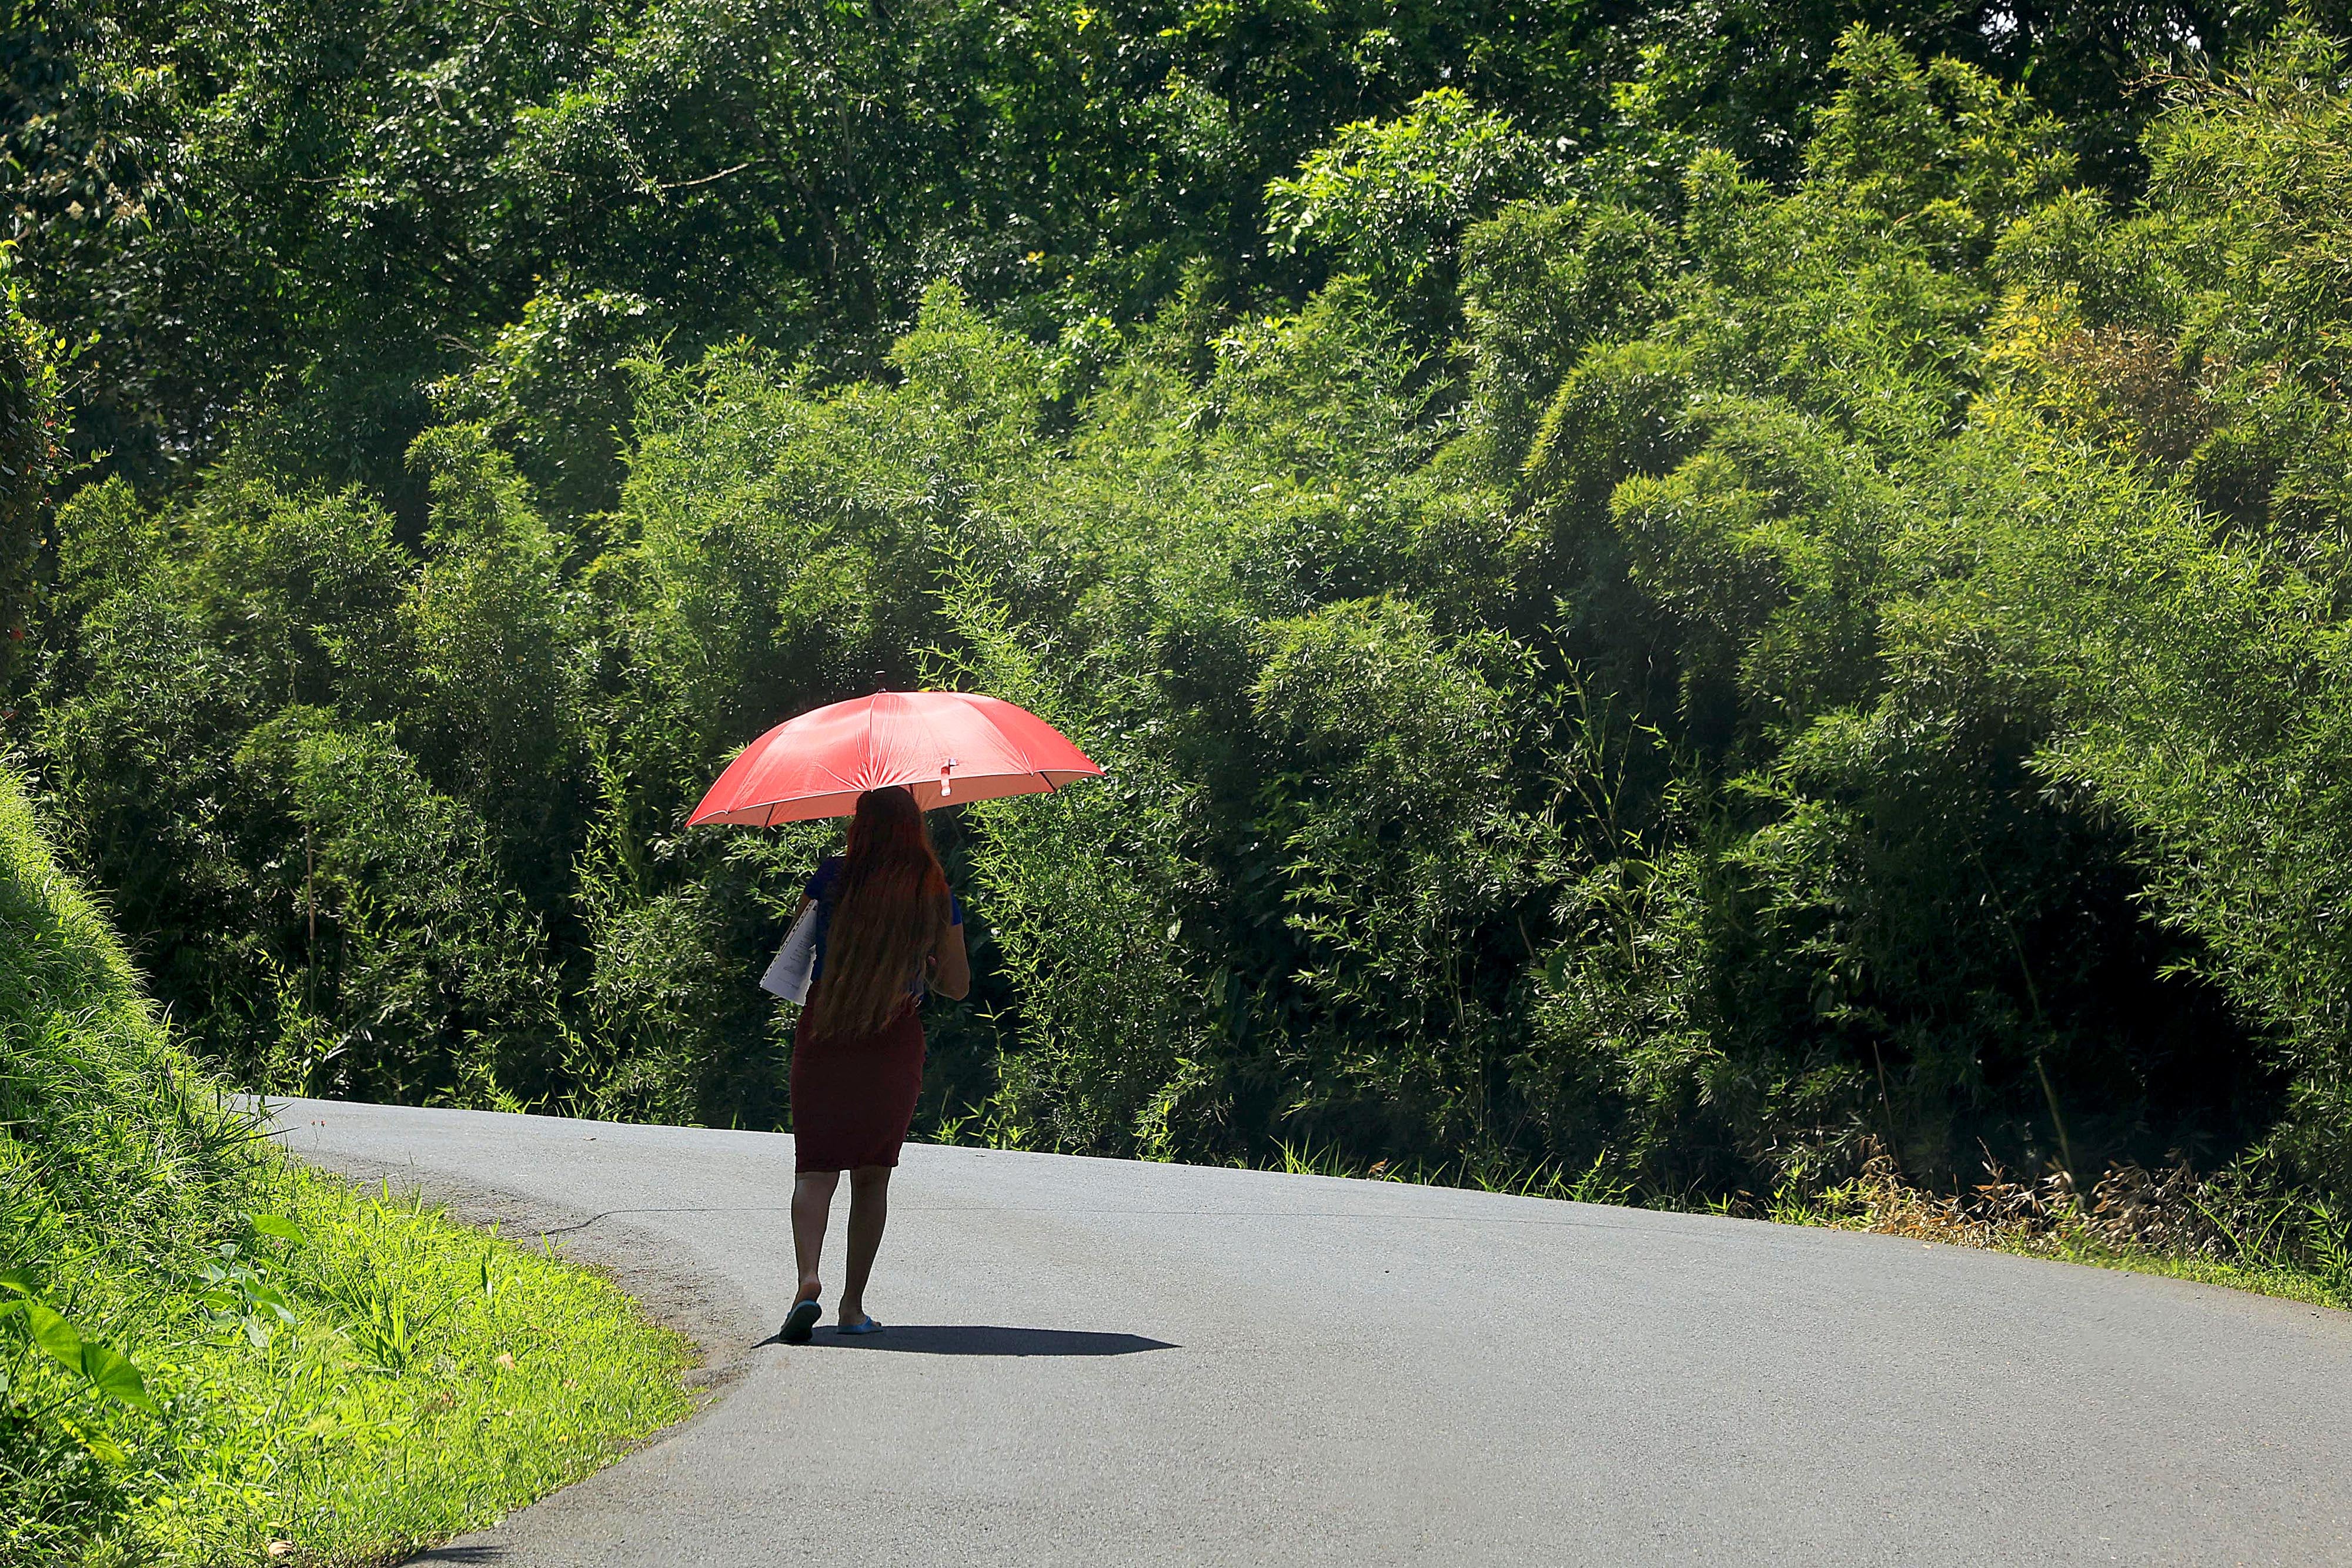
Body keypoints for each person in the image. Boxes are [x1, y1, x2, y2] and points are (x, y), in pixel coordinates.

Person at [780, 785, 970, 1344]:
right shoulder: (933, 893)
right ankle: (852, 1305)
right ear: (915, 830)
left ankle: (806, 1280)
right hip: (892, 1037)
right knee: (871, 1174)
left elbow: (797, 946)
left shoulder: (829, 880)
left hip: (826, 1029)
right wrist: (927, 965)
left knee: (815, 1168)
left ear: (859, 827)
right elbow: (957, 986)